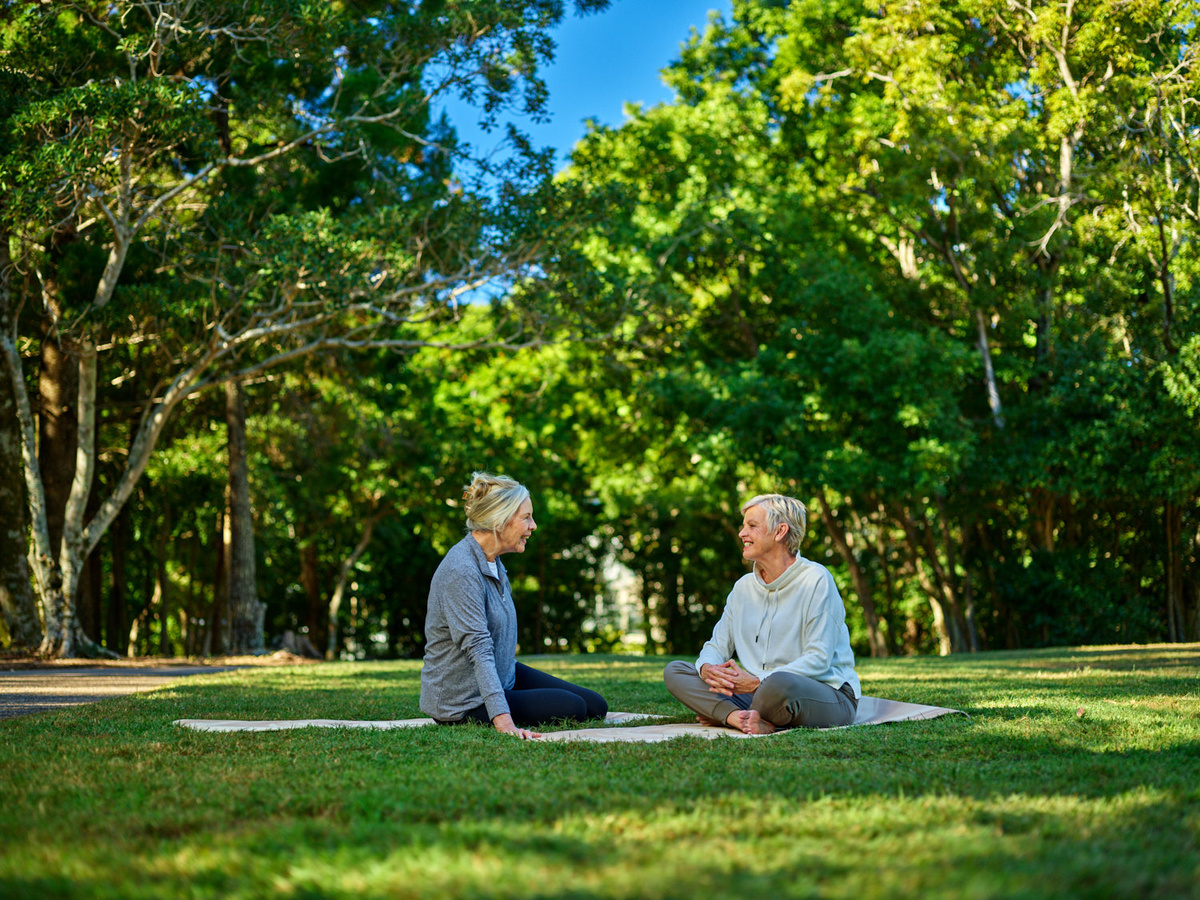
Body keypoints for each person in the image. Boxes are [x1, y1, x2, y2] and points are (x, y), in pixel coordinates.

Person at [419, 472, 608, 740]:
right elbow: (478, 649)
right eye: (526, 517)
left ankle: (508, 695)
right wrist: (503, 720)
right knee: (573, 707)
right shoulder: (461, 571)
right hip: (462, 701)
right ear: (500, 521)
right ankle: (493, 706)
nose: (533, 526)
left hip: (501, 675)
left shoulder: (493, 562)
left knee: (595, 706)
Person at [663, 493, 860, 734]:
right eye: (743, 526)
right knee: (676, 671)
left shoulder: (816, 580)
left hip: (823, 692)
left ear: (780, 532)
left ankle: (725, 713)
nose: (742, 533)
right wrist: (709, 670)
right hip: (756, 692)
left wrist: (757, 680)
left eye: (752, 526)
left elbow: (818, 660)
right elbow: (716, 646)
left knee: (778, 684)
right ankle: (737, 717)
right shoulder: (743, 587)